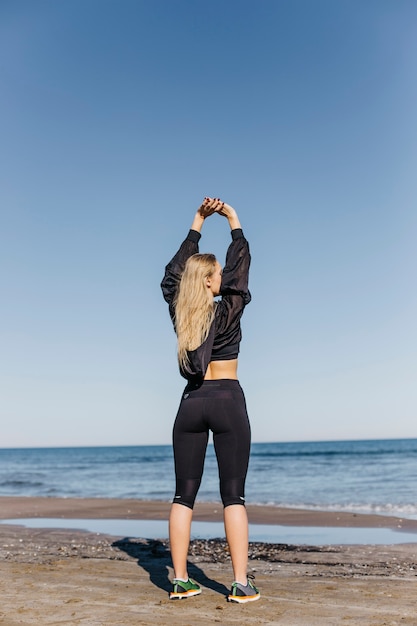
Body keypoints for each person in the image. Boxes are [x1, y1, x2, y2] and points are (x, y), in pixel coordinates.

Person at [161, 197, 260, 603]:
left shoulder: (180, 313)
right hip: (226, 401)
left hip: (190, 405)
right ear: (207, 281)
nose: (223, 277)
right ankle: (239, 584)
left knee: (184, 494)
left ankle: (180, 580)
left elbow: (171, 278)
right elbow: (241, 271)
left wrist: (197, 224)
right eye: (216, 272)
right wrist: (233, 221)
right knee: (232, 494)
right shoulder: (229, 310)